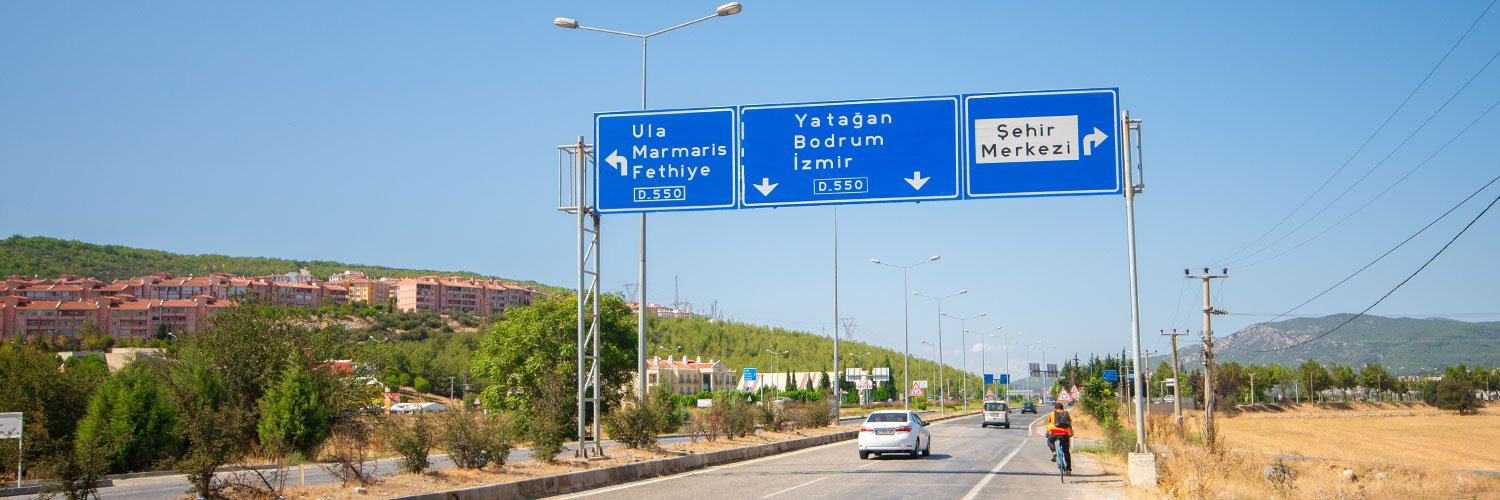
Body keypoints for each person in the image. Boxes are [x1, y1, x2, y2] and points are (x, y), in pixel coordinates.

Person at [1045, 401, 1073, 474]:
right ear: (1062, 408)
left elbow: (1048, 425)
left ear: (1055, 408)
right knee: (1066, 452)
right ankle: (1068, 470)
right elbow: (1070, 424)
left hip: (1054, 433)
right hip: (1064, 434)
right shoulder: (1066, 414)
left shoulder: (1052, 414)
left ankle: (1054, 451)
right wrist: (1071, 433)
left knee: (1050, 441)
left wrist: (1047, 433)